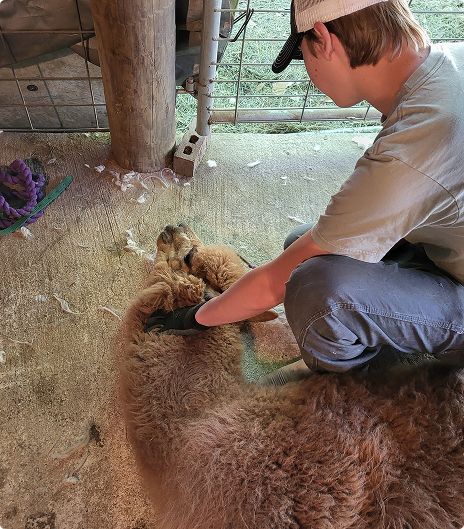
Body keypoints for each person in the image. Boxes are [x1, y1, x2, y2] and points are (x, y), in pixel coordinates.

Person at [145, 0, 464, 384]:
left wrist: (194, 317)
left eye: (303, 55)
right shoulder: (447, 67)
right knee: (305, 246)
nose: (311, 74)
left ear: (323, 38)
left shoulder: (414, 147)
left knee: (316, 290)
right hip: (447, 252)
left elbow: (272, 282)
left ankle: (354, 383)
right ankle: (387, 330)